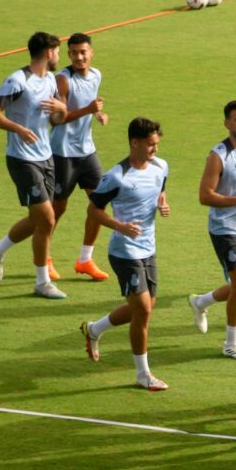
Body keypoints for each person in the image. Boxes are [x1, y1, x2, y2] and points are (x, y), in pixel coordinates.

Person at [79, 118, 170, 390]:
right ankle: (143, 374)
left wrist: (162, 204)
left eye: (157, 144)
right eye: (150, 144)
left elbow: (160, 191)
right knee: (142, 309)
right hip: (124, 250)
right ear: (135, 142)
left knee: (142, 309)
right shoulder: (117, 176)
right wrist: (119, 226)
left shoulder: (161, 166)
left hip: (149, 248)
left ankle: (94, 329)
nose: (155, 149)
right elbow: (93, 210)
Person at [0, 31, 69, 299]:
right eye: (57, 51)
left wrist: (61, 109)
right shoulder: (18, 81)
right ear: (47, 53)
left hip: (46, 157)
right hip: (22, 159)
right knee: (47, 218)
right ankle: (42, 281)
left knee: (37, 221)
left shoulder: (52, 81)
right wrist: (17, 128)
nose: (59, 56)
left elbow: (55, 120)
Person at [187, 101, 236, 360]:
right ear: (227, 123)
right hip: (223, 228)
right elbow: (204, 196)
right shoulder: (218, 155)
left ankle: (201, 302)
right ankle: (231, 343)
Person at [49, 32, 110, 282]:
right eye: (74, 53)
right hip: (63, 152)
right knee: (57, 208)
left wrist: (97, 116)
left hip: (87, 151)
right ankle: (44, 259)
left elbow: (90, 105)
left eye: (83, 52)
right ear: (69, 54)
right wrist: (88, 110)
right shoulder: (62, 80)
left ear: (91, 53)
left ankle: (85, 259)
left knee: (99, 202)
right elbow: (58, 119)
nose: (79, 57)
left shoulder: (96, 75)